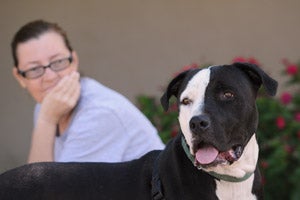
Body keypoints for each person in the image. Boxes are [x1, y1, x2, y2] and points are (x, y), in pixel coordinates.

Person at [12, 19, 165, 163]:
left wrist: (46, 120)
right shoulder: (46, 106)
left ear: (74, 60)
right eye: (34, 69)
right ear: (20, 77)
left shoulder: (98, 112)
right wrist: (46, 118)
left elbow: (46, 189)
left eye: (58, 62)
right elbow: (35, 185)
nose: (50, 77)